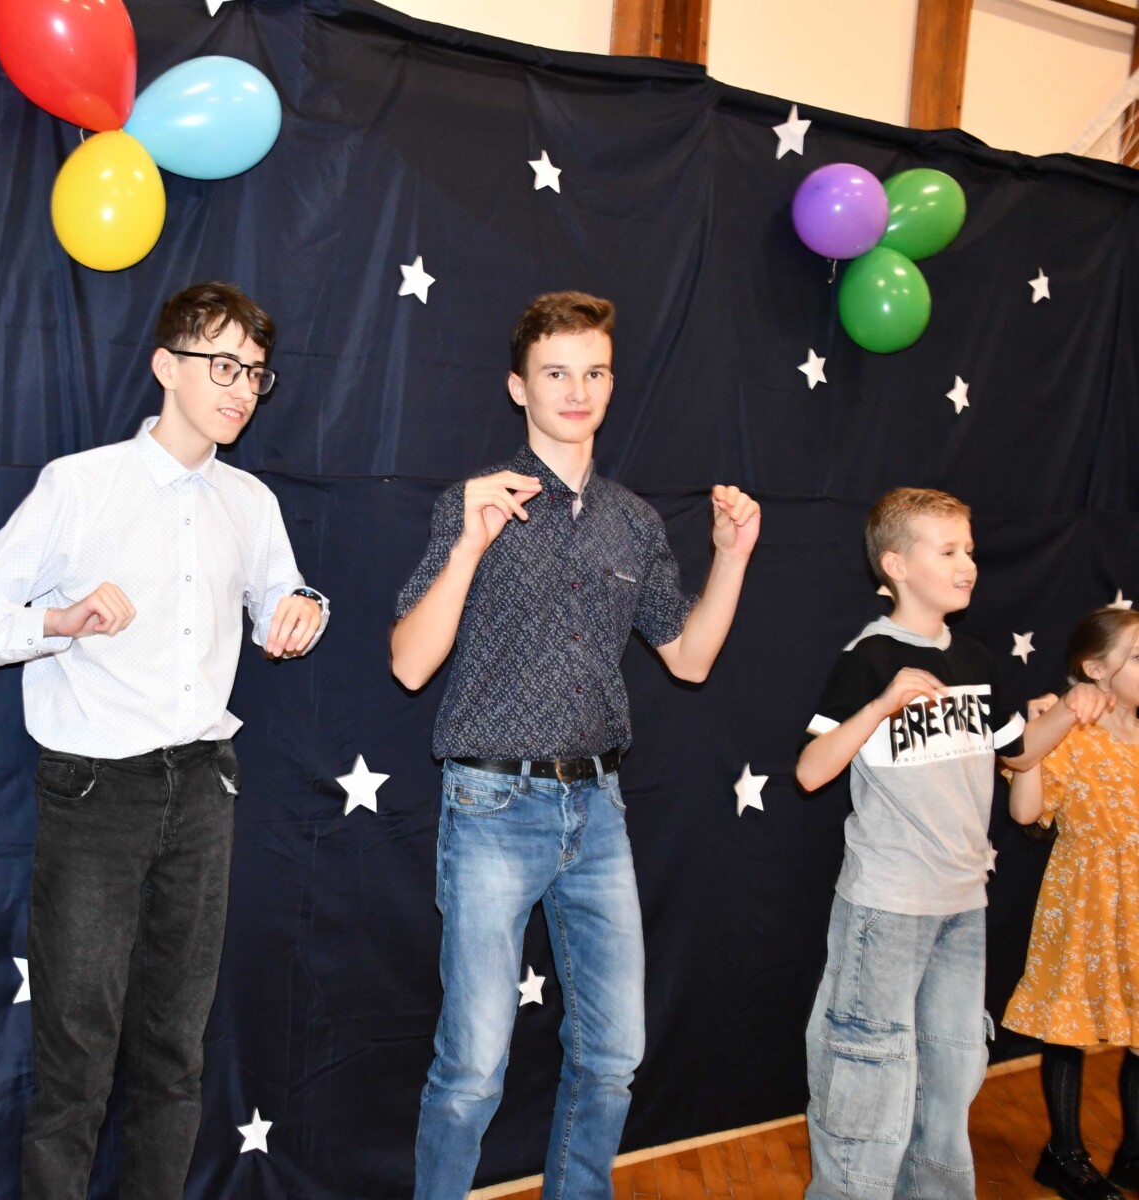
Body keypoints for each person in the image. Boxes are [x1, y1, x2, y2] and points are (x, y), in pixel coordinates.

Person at [0, 281, 327, 1200]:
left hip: (205, 787)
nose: (241, 388)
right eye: (222, 365)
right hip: (95, 792)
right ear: (164, 367)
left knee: (175, 1051)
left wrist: (302, 607)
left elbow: (282, 593)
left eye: (255, 374)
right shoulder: (81, 484)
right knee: (76, 1056)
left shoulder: (250, 501)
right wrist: (59, 620)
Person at [390, 291, 760, 1200]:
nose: (577, 389)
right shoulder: (476, 501)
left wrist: (733, 554)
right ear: (519, 386)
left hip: (597, 809)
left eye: (594, 372)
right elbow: (409, 663)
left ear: (611, 383)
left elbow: (690, 659)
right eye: (556, 372)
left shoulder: (633, 520)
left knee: (613, 1056)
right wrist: (468, 546)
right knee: (473, 1066)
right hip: (490, 805)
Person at [795, 486, 1026, 1200]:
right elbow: (812, 771)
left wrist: (1071, 710)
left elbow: (1020, 756)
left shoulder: (978, 657)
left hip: (963, 902)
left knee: (951, 1074)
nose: (968, 564)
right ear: (895, 565)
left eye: (970, 550)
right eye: (948, 550)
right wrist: (881, 704)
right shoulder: (871, 657)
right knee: (867, 1076)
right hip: (888, 905)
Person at [1002, 605, 1139, 1200]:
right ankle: (1063, 1155)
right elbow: (1026, 812)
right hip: (1085, 897)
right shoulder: (1072, 734)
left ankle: (1134, 1155)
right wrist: (1034, 742)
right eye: (1138, 656)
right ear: (1095, 669)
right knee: (1068, 1023)